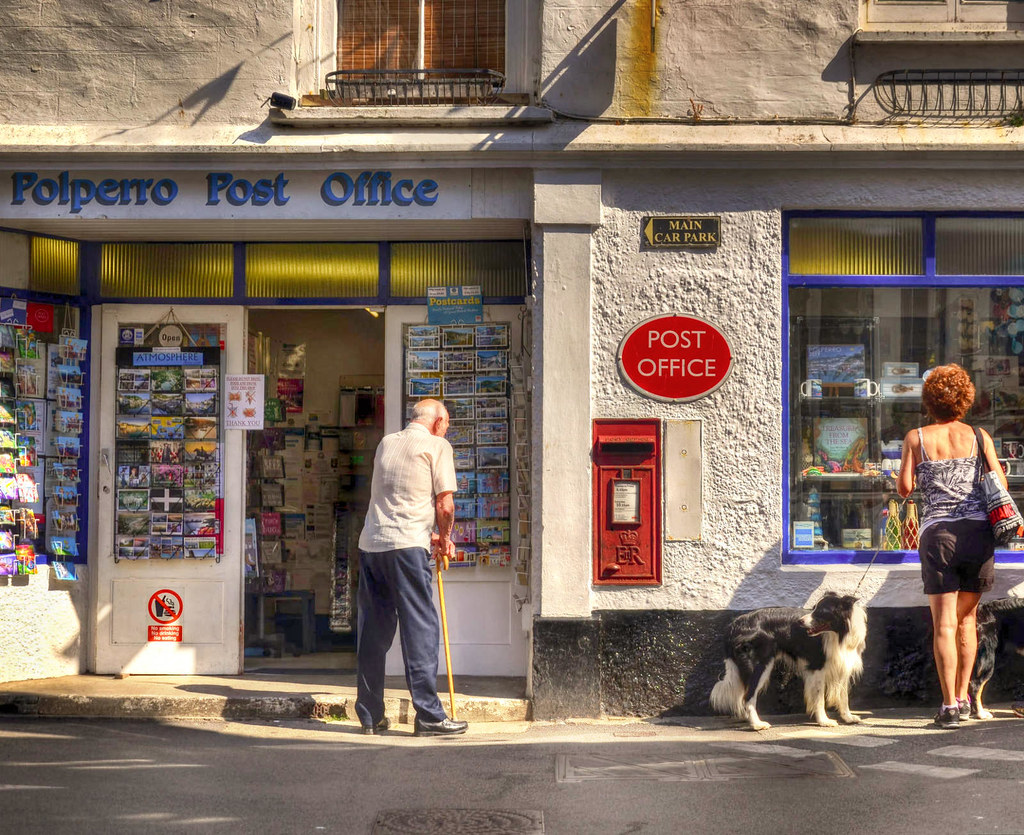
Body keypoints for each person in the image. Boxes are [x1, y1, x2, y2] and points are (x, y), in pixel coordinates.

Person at [897, 363, 1004, 729]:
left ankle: (948, 708)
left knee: (944, 623)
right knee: (968, 621)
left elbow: (905, 488)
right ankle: (962, 696)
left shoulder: (917, 437)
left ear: (929, 400)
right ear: (965, 398)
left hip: (938, 535)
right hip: (978, 534)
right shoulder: (979, 436)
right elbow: (999, 482)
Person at [354, 398, 468, 737]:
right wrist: (445, 537)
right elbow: (445, 504)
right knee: (420, 628)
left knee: (374, 631)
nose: (447, 429)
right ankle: (429, 716)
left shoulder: (387, 443)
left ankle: (370, 714)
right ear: (437, 422)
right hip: (407, 547)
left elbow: (395, 496)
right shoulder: (437, 445)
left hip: (372, 544)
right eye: (446, 423)